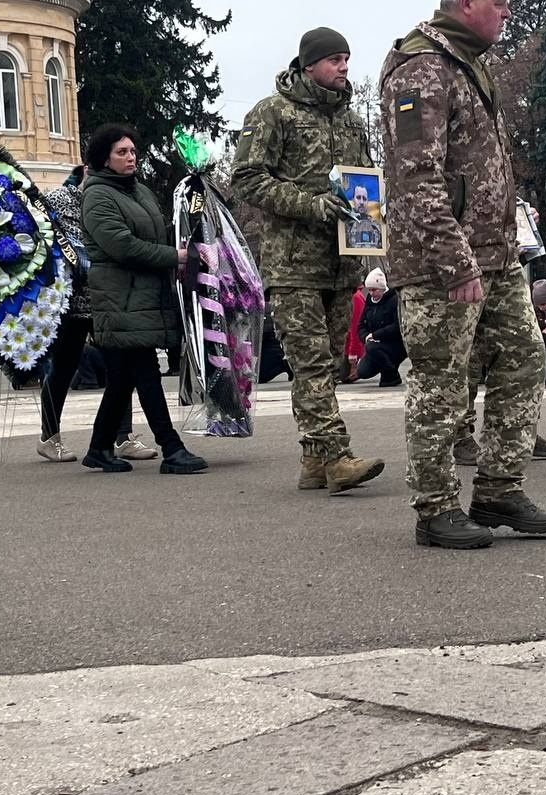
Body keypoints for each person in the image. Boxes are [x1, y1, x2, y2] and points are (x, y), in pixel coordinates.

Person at [382, 0, 546, 549]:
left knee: (525, 358)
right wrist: (453, 259)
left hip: (499, 255)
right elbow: (416, 174)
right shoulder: (420, 66)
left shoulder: (467, 61)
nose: (507, 11)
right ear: (464, 4)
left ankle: (497, 489)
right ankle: (435, 508)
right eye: (498, 2)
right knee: (441, 382)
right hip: (443, 264)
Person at [233, 27, 384, 495]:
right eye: (335, 59)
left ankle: (313, 461)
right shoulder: (273, 112)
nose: (344, 67)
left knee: (332, 364)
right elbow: (247, 179)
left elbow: (363, 182)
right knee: (312, 365)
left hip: (342, 262)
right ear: (308, 64)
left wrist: (374, 212)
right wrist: (312, 203)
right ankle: (338, 457)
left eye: (347, 58)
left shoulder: (353, 120)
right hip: (293, 264)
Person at [80, 122, 207, 475]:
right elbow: (122, 246)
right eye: (121, 152)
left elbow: (161, 231)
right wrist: (175, 257)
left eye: (133, 150)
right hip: (120, 299)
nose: (130, 157)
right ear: (104, 159)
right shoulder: (97, 195)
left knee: (121, 380)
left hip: (142, 297)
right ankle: (172, 448)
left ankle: (98, 448)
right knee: (146, 372)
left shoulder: (140, 191)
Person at [37, 165, 148, 463]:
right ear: (87, 170)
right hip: (72, 301)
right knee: (63, 367)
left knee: (120, 367)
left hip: (108, 297)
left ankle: (123, 437)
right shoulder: (59, 198)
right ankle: (49, 436)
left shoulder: (116, 197)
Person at [355, 268, 405, 387]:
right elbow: (361, 324)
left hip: (395, 343)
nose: (371, 293)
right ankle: (387, 368)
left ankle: (391, 374)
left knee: (372, 348)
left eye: (374, 290)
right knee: (362, 371)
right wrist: (366, 336)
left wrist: (376, 335)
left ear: (382, 288)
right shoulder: (369, 302)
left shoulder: (394, 300)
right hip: (375, 343)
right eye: (369, 290)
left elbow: (397, 326)